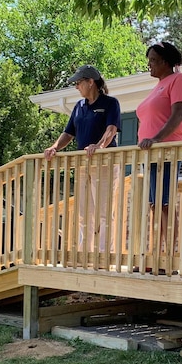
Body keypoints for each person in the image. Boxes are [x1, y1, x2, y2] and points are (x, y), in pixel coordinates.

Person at [44, 65, 121, 252]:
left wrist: (99, 146)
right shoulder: (79, 107)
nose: (77, 87)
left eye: (78, 83)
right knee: (84, 212)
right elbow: (68, 133)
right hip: (82, 164)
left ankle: (104, 254)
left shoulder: (110, 103)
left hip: (105, 163)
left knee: (104, 212)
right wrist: (54, 147)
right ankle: (84, 253)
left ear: (90, 82)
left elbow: (111, 129)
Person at [135, 41, 182, 256]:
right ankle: (156, 254)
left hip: (166, 152)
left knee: (165, 203)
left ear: (166, 61)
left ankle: (168, 257)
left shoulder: (178, 80)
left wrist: (156, 139)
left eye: (153, 60)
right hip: (151, 155)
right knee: (154, 205)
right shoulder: (157, 87)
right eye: (149, 60)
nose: (149, 64)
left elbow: (179, 113)